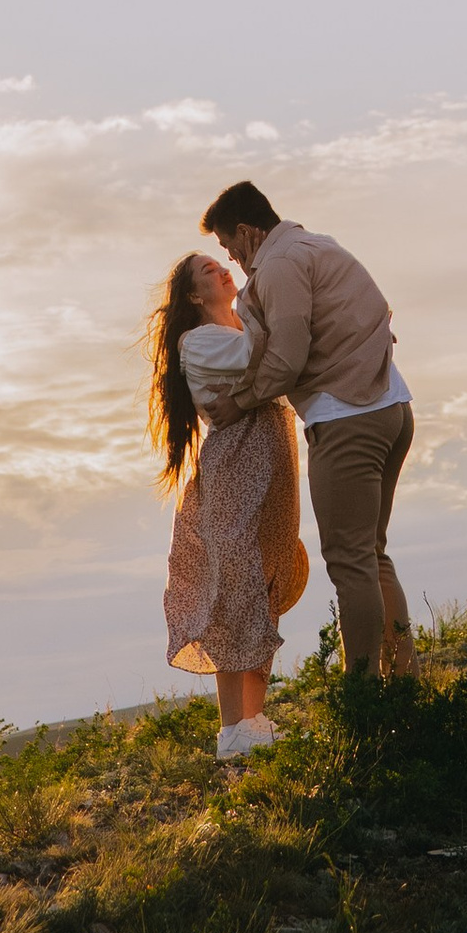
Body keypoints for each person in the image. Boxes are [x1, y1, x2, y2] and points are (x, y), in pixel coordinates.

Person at [198, 180, 417, 680]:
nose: (231, 258)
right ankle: (404, 681)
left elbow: (287, 359)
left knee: (348, 562)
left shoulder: (280, 266)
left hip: (347, 419)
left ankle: (361, 692)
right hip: (390, 407)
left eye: (229, 245)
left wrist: (239, 402)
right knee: (371, 553)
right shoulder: (319, 245)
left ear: (249, 231)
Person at [148, 249, 308, 761]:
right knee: (234, 588)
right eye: (207, 271)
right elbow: (256, 357)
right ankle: (232, 729)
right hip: (237, 463)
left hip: (271, 461)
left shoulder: (239, 324)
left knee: (266, 583)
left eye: (221, 263)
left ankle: (251, 722)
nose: (222, 268)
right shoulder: (198, 341)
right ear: (196, 295)